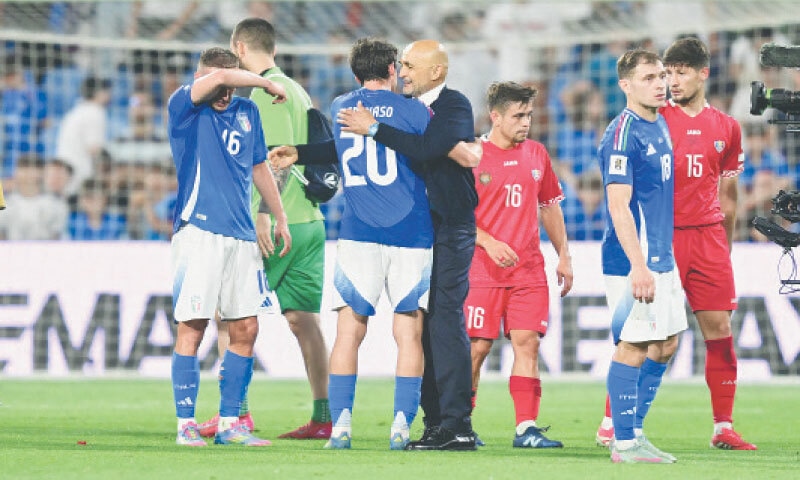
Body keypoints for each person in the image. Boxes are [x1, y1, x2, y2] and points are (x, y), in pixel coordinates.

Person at [596, 37, 756, 450]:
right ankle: (617, 423)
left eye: (680, 71)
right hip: (660, 240)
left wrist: (725, 243)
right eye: (665, 72)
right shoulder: (652, 119)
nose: (671, 80)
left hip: (707, 238)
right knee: (649, 339)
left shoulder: (727, 127)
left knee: (718, 329)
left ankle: (723, 426)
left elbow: (730, 195)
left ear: (704, 73)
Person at [273, 37, 434, 450]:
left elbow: (345, 148)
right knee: (408, 332)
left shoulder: (343, 106)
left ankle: (341, 425)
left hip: (359, 232)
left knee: (349, 330)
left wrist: (302, 153)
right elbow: (428, 153)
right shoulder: (417, 111)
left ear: (357, 72)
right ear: (394, 69)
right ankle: (400, 426)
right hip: (411, 232)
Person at [336, 39, 481, 451]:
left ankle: (457, 425)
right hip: (421, 228)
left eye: (411, 66)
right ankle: (434, 423)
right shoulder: (412, 110)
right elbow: (349, 145)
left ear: (437, 71)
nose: (402, 71)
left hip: (450, 228)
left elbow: (426, 148)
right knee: (424, 325)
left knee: (443, 320)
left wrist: (375, 128)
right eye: (400, 65)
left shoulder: (452, 107)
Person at [196, 17, 333, 441]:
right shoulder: (298, 89)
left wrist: (263, 215)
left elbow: (272, 161)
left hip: (276, 225)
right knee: (302, 320)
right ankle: (322, 415)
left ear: (239, 47)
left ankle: (234, 414)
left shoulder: (262, 94)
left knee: (227, 317)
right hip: (311, 221)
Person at [167, 47, 290, 447]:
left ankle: (230, 423)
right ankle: (185, 423)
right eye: (220, 81)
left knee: (246, 328)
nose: (225, 91)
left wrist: (277, 215)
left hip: (241, 236)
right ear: (202, 78)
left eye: (231, 80)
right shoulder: (184, 106)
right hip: (199, 232)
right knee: (193, 326)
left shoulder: (247, 112)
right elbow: (220, 80)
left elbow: (258, 167)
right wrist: (267, 81)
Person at [465, 81, 572, 449]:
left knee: (527, 343)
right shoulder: (473, 156)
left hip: (528, 271)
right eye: (518, 115)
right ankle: (460, 422)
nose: (525, 122)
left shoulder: (537, 154)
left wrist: (565, 255)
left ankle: (526, 427)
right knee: (477, 348)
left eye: (528, 115)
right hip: (480, 270)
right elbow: (454, 215)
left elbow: (550, 206)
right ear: (495, 117)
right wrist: (489, 241)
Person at [598, 49, 687, 464]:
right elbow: (619, 206)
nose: (660, 83)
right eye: (650, 77)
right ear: (626, 85)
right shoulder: (622, 133)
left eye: (662, 76)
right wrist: (638, 266)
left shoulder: (661, 125)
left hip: (661, 257)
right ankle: (624, 442)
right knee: (633, 344)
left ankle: (633, 432)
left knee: (666, 344)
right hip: (631, 260)